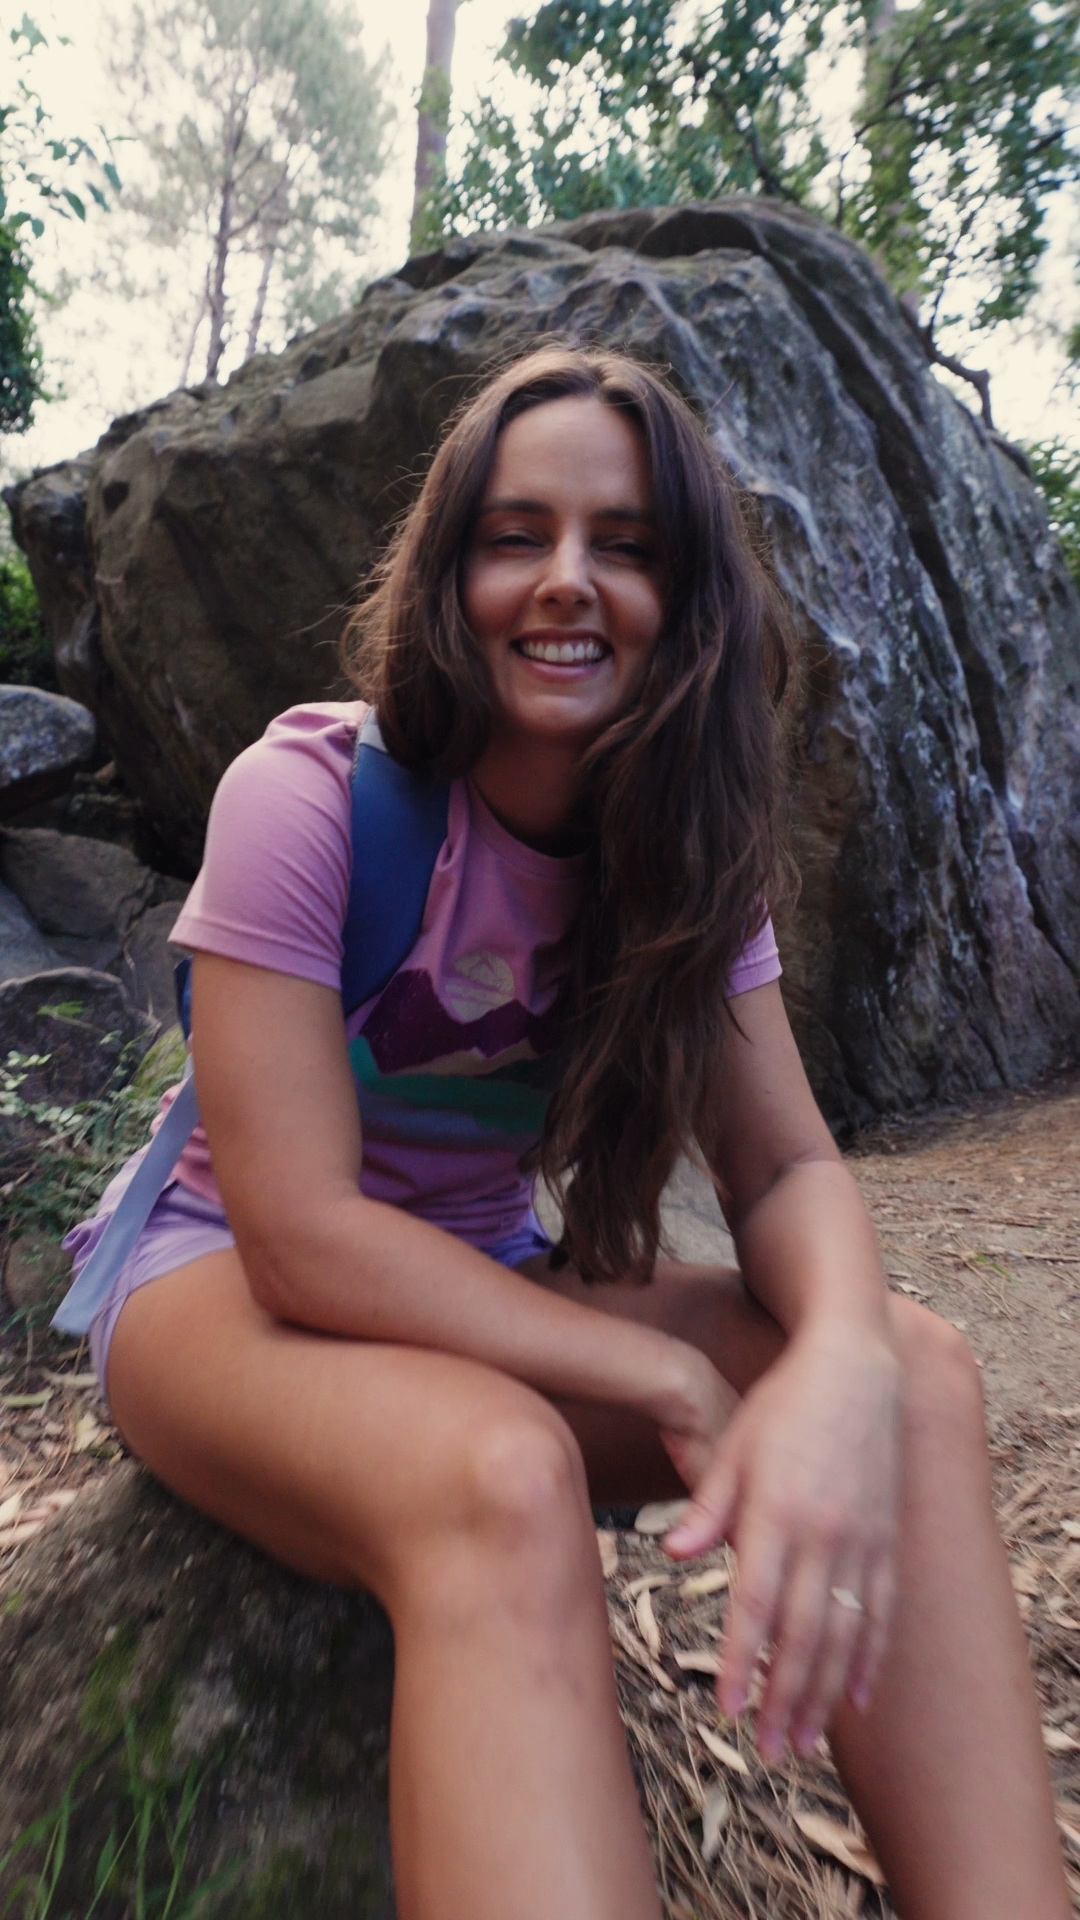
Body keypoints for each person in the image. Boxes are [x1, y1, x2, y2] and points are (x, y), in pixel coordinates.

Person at [64, 347, 1068, 1920]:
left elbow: (785, 1167)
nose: (567, 580)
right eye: (517, 535)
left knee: (917, 1378)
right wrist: (663, 1373)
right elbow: (299, 1234)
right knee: (505, 1468)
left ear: (691, 597)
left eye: (627, 545)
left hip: (479, 1277)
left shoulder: (684, 856)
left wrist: (839, 1364)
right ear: (450, 571)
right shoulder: (308, 795)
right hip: (218, 1287)